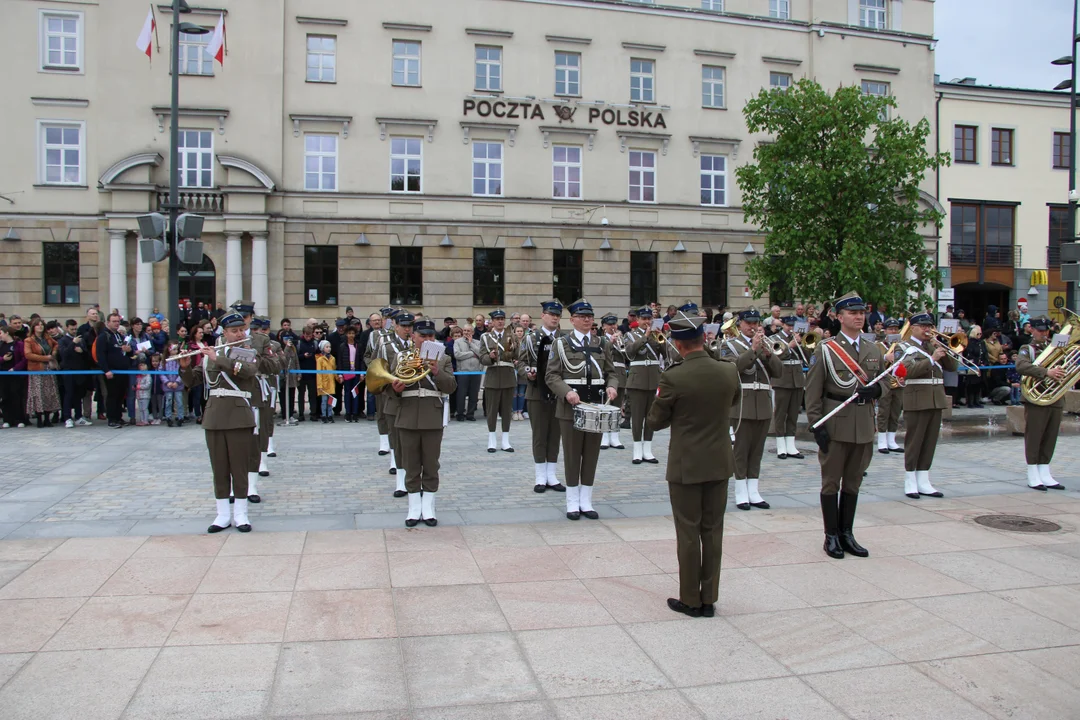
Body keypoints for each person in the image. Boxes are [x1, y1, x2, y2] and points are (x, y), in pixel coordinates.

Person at [647, 311, 739, 618]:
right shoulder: (728, 371)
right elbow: (733, 401)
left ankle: (690, 599)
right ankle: (709, 598)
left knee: (688, 533)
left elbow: (656, 421)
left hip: (686, 465)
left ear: (678, 343)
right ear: (703, 338)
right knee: (713, 531)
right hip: (719, 461)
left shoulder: (673, 376)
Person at [805, 292, 888, 559]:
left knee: (853, 483)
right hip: (836, 423)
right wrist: (817, 426)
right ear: (839, 317)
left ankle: (847, 533)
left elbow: (885, 381)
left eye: (861, 312)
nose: (859, 316)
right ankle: (830, 536)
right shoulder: (826, 349)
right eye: (852, 313)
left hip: (863, 424)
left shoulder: (873, 349)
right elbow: (813, 392)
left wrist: (877, 392)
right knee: (831, 483)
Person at [545, 299, 620, 520]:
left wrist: (612, 387)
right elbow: (551, 375)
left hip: (595, 406)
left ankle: (586, 500)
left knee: (591, 455)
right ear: (573, 320)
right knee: (571, 454)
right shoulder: (561, 343)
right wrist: (566, 391)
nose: (587, 319)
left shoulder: (602, 343)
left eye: (590, 316)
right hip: (571, 407)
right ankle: (572, 501)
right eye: (582, 316)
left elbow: (611, 372)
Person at [184, 312, 259, 533]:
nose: (239, 334)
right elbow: (194, 381)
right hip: (214, 416)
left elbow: (247, 372)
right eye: (234, 331)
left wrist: (219, 359)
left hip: (238, 416)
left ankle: (241, 514)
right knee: (219, 467)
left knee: (239, 466)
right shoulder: (209, 355)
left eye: (241, 330)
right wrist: (185, 366)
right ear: (224, 333)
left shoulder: (247, 353)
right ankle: (222, 514)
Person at [391, 319, 458, 526]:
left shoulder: (444, 358)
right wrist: (394, 389)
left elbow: (451, 387)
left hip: (432, 414)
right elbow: (387, 388)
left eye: (431, 336)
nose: (428, 339)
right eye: (423, 336)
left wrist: (437, 371)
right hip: (408, 414)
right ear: (414, 337)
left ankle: (428, 507)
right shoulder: (402, 356)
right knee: (410, 463)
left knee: (431, 463)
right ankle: (413, 508)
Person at [719, 308, 782, 510]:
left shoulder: (765, 345)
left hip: (762, 403)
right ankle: (740, 492)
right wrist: (753, 350)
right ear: (739, 325)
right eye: (749, 323)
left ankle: (754, 490)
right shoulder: (728, 345)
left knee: (757, 451)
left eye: (756, 323)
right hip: (742, 404)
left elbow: (779, 372)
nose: (753, 327)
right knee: (741, 449)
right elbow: (732, 369)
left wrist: (767, 353)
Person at [899, 313, 957, 499]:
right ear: (913, 327)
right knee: (915, 441)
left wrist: (943, 350)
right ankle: (910, 480)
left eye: (930, 326)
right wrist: (931, 359)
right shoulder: (904, 346)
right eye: (923, 326)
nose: (927, 330)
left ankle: (924, 479)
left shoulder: (934, 345)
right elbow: (907, 371)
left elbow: (953, 367)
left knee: (930, 441)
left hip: (935, 399)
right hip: (916, 400)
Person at [519, 301, 567, 492]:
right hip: (537, 391)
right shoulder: (531, 338)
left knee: (555, 434)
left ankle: (552, 474)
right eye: (551, 314)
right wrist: (527, 373)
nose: (555, 318)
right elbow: (521, 363)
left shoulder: (564, 339)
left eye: (557, 315)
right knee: (540, 434)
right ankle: (540, 475)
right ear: (543, 316)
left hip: (558, 393)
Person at [1016, 317, 1067, 491]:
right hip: (1036, 398)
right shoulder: (1027, 349)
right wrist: (1047, 372)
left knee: (1050, 435)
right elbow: (1021, 366)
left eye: (1046, 330)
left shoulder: (1055, 348)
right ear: (1032, 330)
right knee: (1035, 435)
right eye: (1040, 330)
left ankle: (1044, 470)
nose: (1044, 333)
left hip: (1055, 397)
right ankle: (1032, 472)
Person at [378, 311, 415, 492]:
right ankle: (400, 481)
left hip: (413, 397)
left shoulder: (417, 344)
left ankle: (412, 477)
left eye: (409, 326)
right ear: (396, 326)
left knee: (411, 440)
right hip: (393, 395)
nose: (407, 329)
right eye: (403, 326)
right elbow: (379, 371)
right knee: (396, 437)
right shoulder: (386, 345)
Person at [623, 306, 664, 464]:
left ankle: (647, 449)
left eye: (649, 319)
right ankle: (637, 450)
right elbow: (630, 352)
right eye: (644, 319)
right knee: (637, 416)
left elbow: (667, 354)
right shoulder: (630, 335)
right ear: (638, 320)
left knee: (651, 416)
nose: (647, 322)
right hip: (637, 380)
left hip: (653, 379)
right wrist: (645, 337)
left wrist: (661, 338)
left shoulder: (656, 335)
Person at [479, 309, 517, 452]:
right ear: (493, 322)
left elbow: (517, 355)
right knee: (492, 410)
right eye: (497, 319)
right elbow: (482, 357)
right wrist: (490, 357)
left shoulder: (511, 336)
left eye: (502, 318)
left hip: (508, 376)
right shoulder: (485, 337)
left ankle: (506, 440)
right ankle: (492, 439)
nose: (500, 321)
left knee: (507, 410)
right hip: (493, 376)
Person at [771, 315, 807, 460]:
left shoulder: (800, 338)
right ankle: (780, 445)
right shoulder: (775, 339)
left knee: (793, 414)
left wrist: (803, 344)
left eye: (793, 326)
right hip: (782, 380)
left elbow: (808, 357)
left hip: (797, 380)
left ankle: (791, 444)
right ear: (783, 325)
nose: (791, 328)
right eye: (789, 326)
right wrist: (790, 345)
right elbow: (774, 358)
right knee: (781, 413)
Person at [366, 308, 396, 448]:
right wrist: (374, 369)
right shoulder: (376, 336)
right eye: (386, 318)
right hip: (382, 377)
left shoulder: (402, 337)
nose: (387, 321)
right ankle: (384, 442)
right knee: (382, 410)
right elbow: (368, 355)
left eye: (391, 319)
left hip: (397, 378)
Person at [96, 312, 132, 428]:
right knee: (112, 395)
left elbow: (125, 352)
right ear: (108, 322)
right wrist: (106, 370)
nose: (117, 324)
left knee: (120, 395)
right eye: (114, 321)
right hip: (112, 371)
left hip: (122, 371)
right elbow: (100, 355)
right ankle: (111, 419)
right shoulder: (103, 336)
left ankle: (118, 417)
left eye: (118, 321)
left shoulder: (119, 335)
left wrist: (129, 350)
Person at [23, 318, 60, 428]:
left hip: (48, 370)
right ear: (33, 327)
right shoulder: (29, 340)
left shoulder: (47, 338)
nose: (40, 327)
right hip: (36, 370)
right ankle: (39, 418)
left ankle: (47, 419)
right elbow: (28, 355)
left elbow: (56, 345)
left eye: (41, 325)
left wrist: (53, 354)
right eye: (37, 325)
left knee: (48, 393)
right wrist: (45, 358)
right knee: (38, 394)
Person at [876, 318, 904, 453]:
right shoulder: (879, 345)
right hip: (885, 382)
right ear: (885, 331)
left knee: (895, 412)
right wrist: (885, 358)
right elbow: (873, 361)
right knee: (883, 411)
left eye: (895, 329)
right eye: (890, 329)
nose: (893, 331)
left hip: (898, 382)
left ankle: (892, 439)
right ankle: (882, 440)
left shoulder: (901, 346)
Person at [600, 313, 627, 450]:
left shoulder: (621, 338)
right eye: (610, 324)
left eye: (614, 324)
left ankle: (615, 436)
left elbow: (628, 356)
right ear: (603, 326)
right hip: (607, 375)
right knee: (605, 406)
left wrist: (621, 343)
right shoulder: (600, 340)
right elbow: (602, 355)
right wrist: (610, 343)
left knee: (617, 407)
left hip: (620, 374)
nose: (612, 327)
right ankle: (604, 436)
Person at [453, 323, 482, 421]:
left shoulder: (477, 342)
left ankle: (470, 414)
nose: (466, 332)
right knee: (461, 393)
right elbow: (457, 355)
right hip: (463, 372)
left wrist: (471, 343)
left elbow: (480, 354)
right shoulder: (457, 342)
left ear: (473, 332)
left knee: (474, 394)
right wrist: (471, 354)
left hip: (476, 372)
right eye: (464, 330)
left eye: (468, 331)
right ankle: (460, 413)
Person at [337, 323, 364, 422]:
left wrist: (362, 374)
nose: (351, 335)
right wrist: (340, 374)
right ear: (346, 334)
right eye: (349, 333)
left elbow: (361, 360)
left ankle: (355, 413)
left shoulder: (358, 345)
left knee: (355, 393)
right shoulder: (342, 346)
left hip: (356, 373)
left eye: (353, 333)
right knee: (347, 393)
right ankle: (348, 413)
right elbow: (339, 361)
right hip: (346, 372)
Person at [296, 323, 319, 421]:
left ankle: (313, 413)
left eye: (310, 336)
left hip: (312, 373)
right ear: (303, 334)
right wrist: (303, 356)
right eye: (307, 336)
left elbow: (318, 355)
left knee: (312, 395)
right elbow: (296, 357)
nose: (308, 338)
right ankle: (301, 413)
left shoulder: (315, 343)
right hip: (301, 373)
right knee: (301, 394)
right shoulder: (299, 343)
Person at [161, 344, 185, 427]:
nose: (176, 351)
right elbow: (161, 372)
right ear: (169, 350)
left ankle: (180, 417)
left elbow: (182, 371)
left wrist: (177, 382)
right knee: (168, 401)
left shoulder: (179, 360)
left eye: (176, 349)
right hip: (168, 385)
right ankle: (168, 417)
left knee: (179, 402)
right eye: (174, 349)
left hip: (178, 385)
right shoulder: (164, 361)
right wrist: (167, 382)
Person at [511, 323, 529, 421]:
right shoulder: (511, 342)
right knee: (514, 391)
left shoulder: (527, 341)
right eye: (517, 331)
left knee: (522, 392)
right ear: (514, 332)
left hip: (522, 368)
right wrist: (513, 360)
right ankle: (514, 411)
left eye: (521, 331)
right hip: (513, 368)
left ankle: (520, 411)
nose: (519, 333)